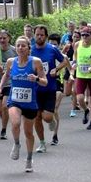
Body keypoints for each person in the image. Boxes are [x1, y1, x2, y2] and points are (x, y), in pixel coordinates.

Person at [0, 36, 48, 173]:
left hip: (30, 103)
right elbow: (6, 75)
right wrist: (0, 88)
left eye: (23, 46)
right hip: (15, 100)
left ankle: (29, 159)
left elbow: (45, 82)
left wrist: (36, 78)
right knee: (16, 123)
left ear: (29, 48)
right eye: (18, 45)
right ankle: (17, 144)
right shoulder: (11, 62)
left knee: (29, 133)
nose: (20, 48)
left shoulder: (36, 62)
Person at [31, 25, 67, 153]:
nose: (39, 37)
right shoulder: (31, 50)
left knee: (46, 117)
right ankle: (41, 143)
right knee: (37, 117)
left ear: (46, 37)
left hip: (49, 88)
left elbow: (64, 61)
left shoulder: (52, 49)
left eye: (42, 35)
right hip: (35, 89)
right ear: (34, 36)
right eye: (37, 35)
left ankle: (51, 120)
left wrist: (56, 69)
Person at [74, 27, 91, 130]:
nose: (84, 37)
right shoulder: (77, 44)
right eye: (83, 35)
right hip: (80, 75)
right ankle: (86, 110)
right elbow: (75, 56)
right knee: (80, 98)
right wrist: (74, 63)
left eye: (86, 35)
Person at [0, 29, 16, 141]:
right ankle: (5, 121)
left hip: (9, 82)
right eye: (0, 38)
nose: (2, 40)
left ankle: (3, 129)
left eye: (4, 38)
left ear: (9, 39)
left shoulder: (14, 51)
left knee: (5, 106)